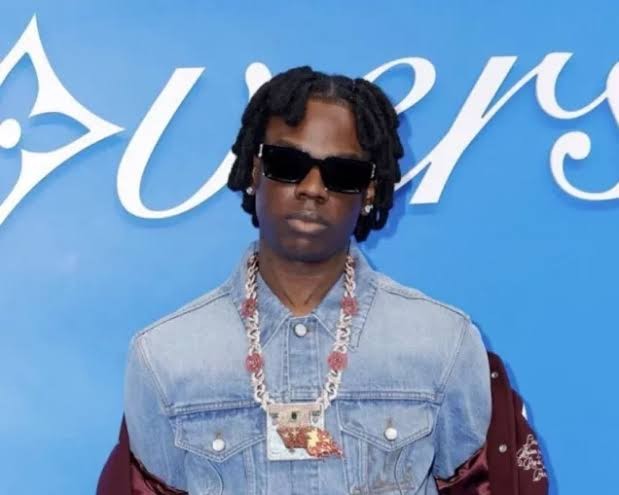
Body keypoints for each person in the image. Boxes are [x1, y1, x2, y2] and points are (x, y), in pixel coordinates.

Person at [123, 66, 492, 494]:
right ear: (255, 171)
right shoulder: (164, 356)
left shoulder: (444, 343)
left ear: (370, 191)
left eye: (343, 173)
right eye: (288, 164)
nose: (312, 188)